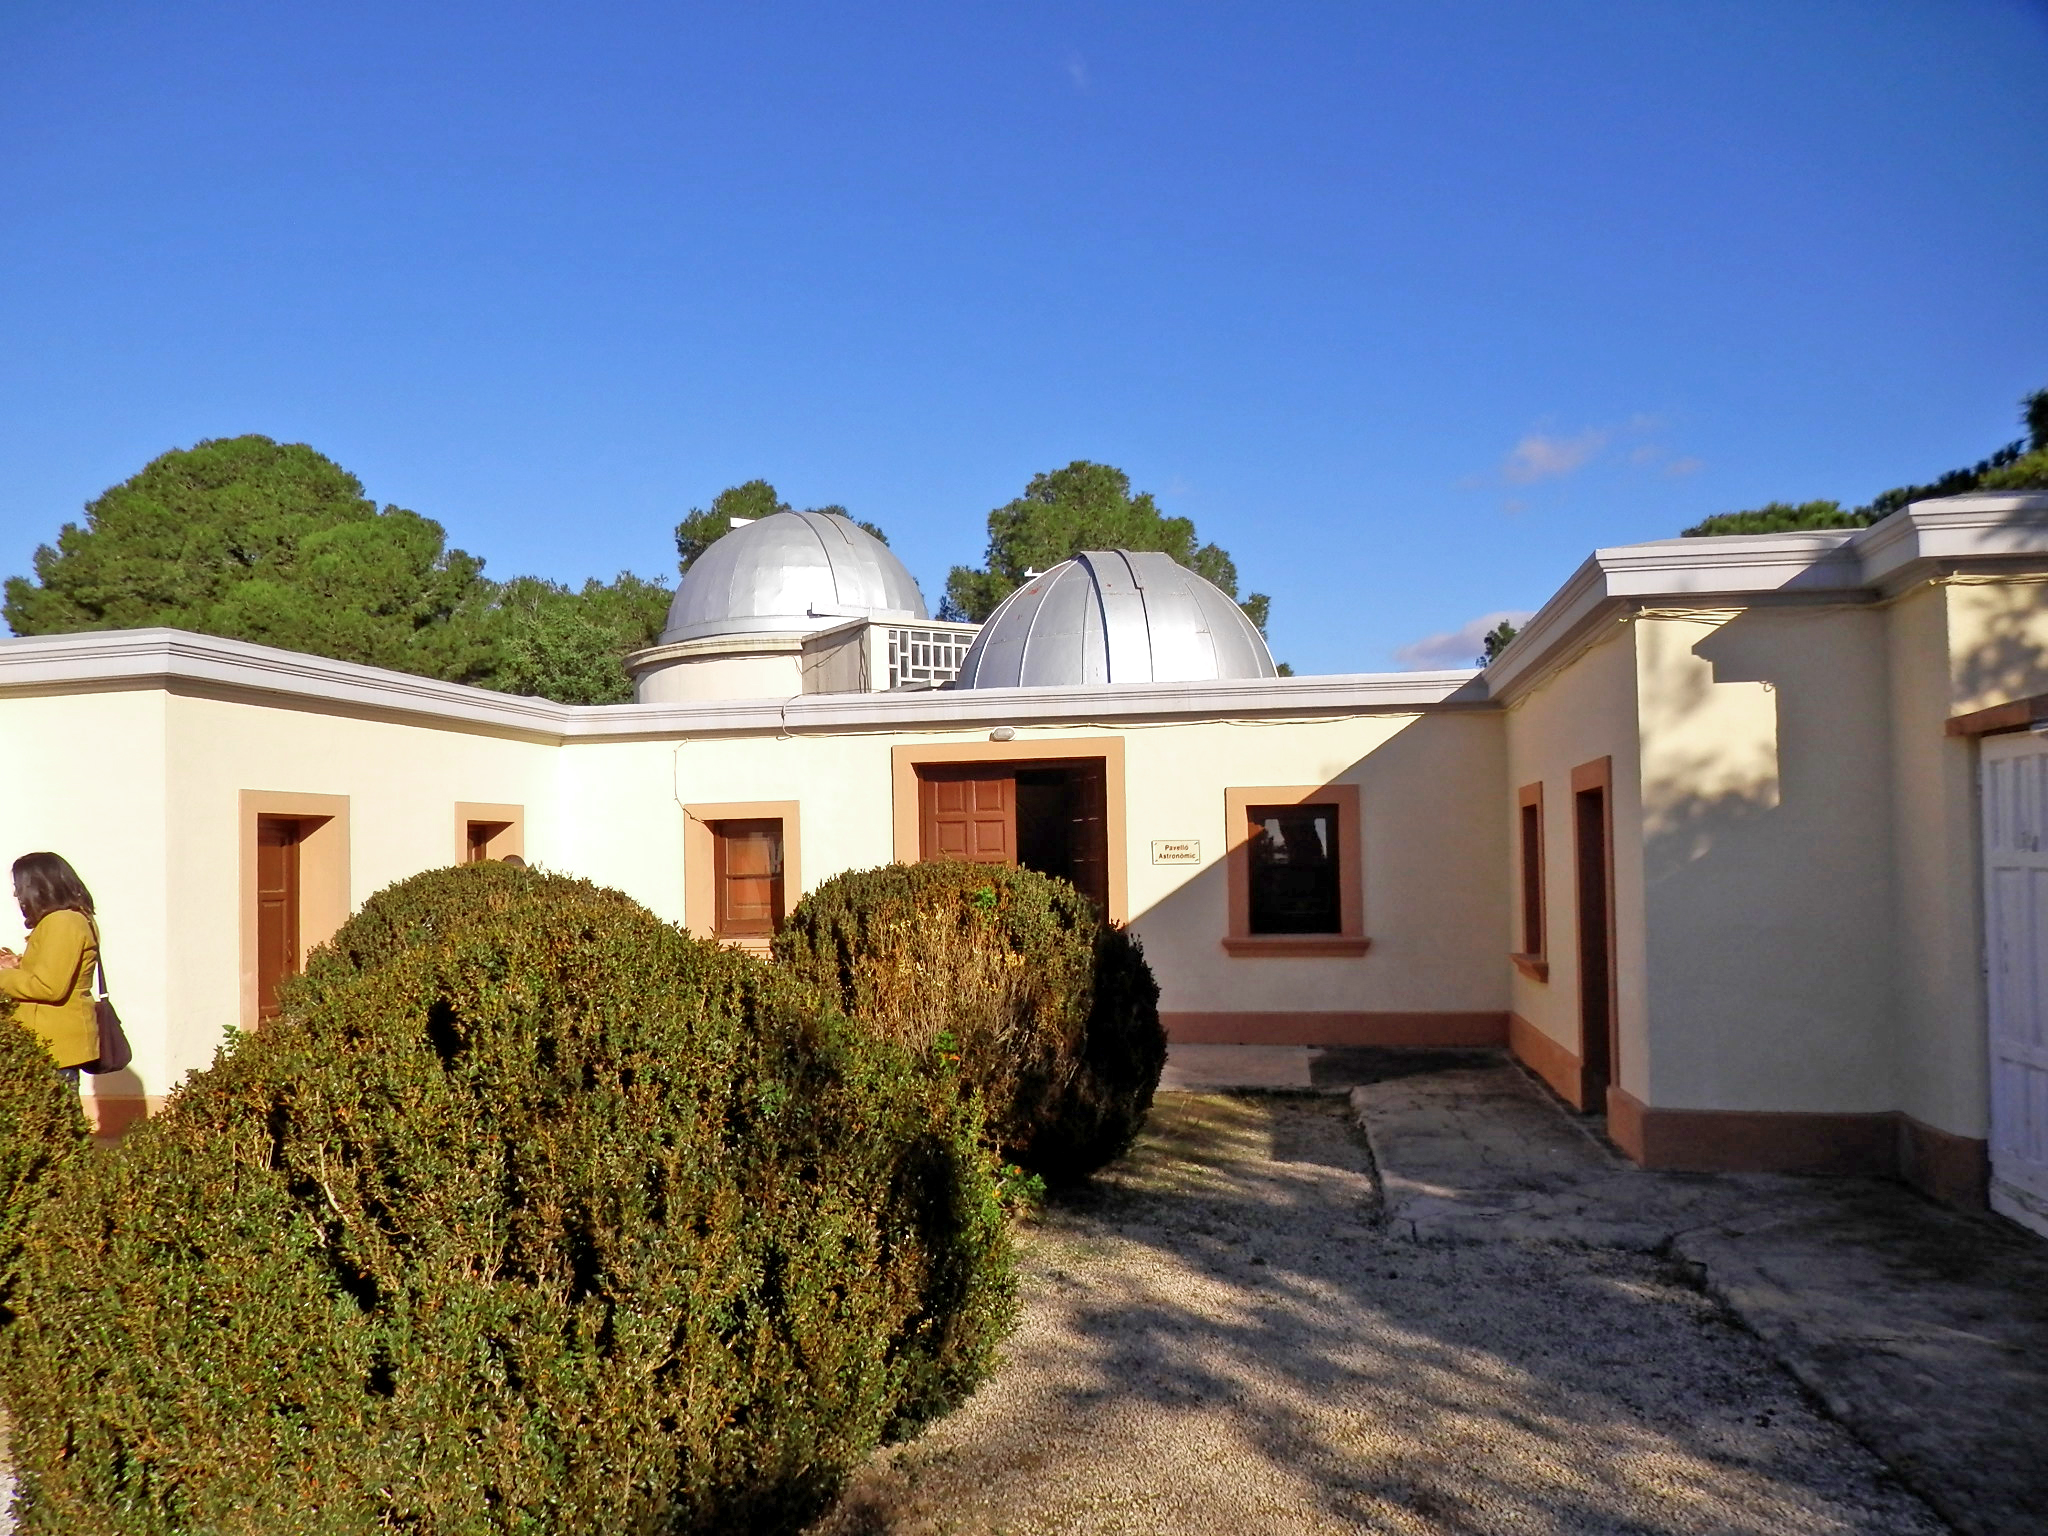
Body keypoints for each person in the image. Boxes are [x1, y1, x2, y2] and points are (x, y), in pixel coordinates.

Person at [0, 852, 101, 1082]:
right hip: (52, 1043)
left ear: (38, 886)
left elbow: (48, 986)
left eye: (20, 886)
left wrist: (3, 977)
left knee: (53, 1115)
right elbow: (53, 970)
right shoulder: (70, 919)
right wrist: (17, 964)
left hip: (53, 1045)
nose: (17, 894)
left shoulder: (62, 922)